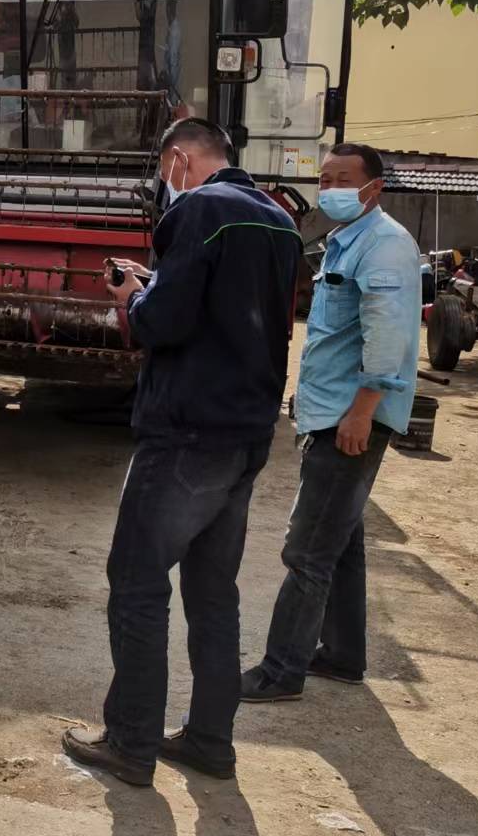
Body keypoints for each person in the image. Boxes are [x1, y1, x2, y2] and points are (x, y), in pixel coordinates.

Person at [64, 119, 303, 786]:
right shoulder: (278, 220)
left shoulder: (200, 209)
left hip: (188, 431)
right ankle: (209, 741)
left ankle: (131, 743)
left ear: (178, 160)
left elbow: (163, 322)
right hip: (245, 432)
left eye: (163, 171)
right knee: (212, 593)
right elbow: (223, 307)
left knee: (137, 583)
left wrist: (134, 295)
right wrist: (159, 282)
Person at [241, 143, 419, 701]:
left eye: (344, 179)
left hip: (352, 416)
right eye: (325, 178)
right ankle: (342, 654)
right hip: (333, 409)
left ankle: (280, 671)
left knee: (308, 550)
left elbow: (387, 337)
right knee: (341, 539)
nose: (331, 188)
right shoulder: (348, 239)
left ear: (374, 187)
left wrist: (362, 411)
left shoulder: (384, 245)